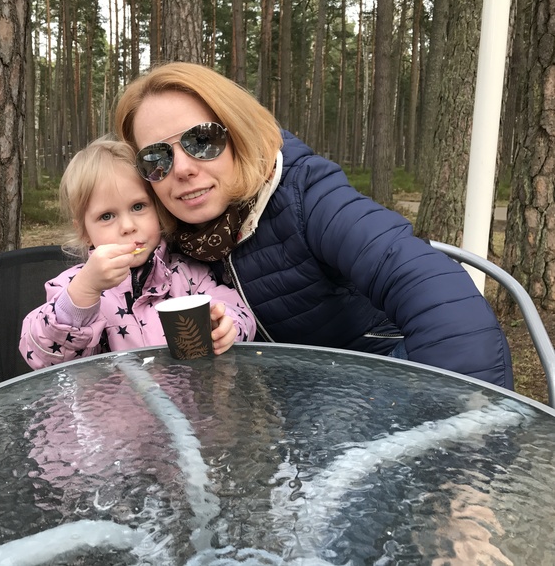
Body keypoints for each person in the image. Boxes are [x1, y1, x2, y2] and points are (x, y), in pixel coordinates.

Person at [114, 61, 513, 389]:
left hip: (376, 380)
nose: (182, 168)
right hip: (279, 410)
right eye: (156, 158)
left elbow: (433, 291)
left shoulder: (305, 195)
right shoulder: (162, 239)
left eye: (202, 141)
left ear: (239, 135)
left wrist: (464, 431)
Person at [19, 136, 255, 370]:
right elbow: (44, 358)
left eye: (138, 206)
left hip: (183, 395)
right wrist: (84, 292)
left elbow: (237, 311)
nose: (128, 226)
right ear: (85, 232)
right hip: (110, 396)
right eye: (107, 216)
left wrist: (225, 325)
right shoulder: (73, 286)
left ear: (158, 210)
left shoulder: (187, 274)